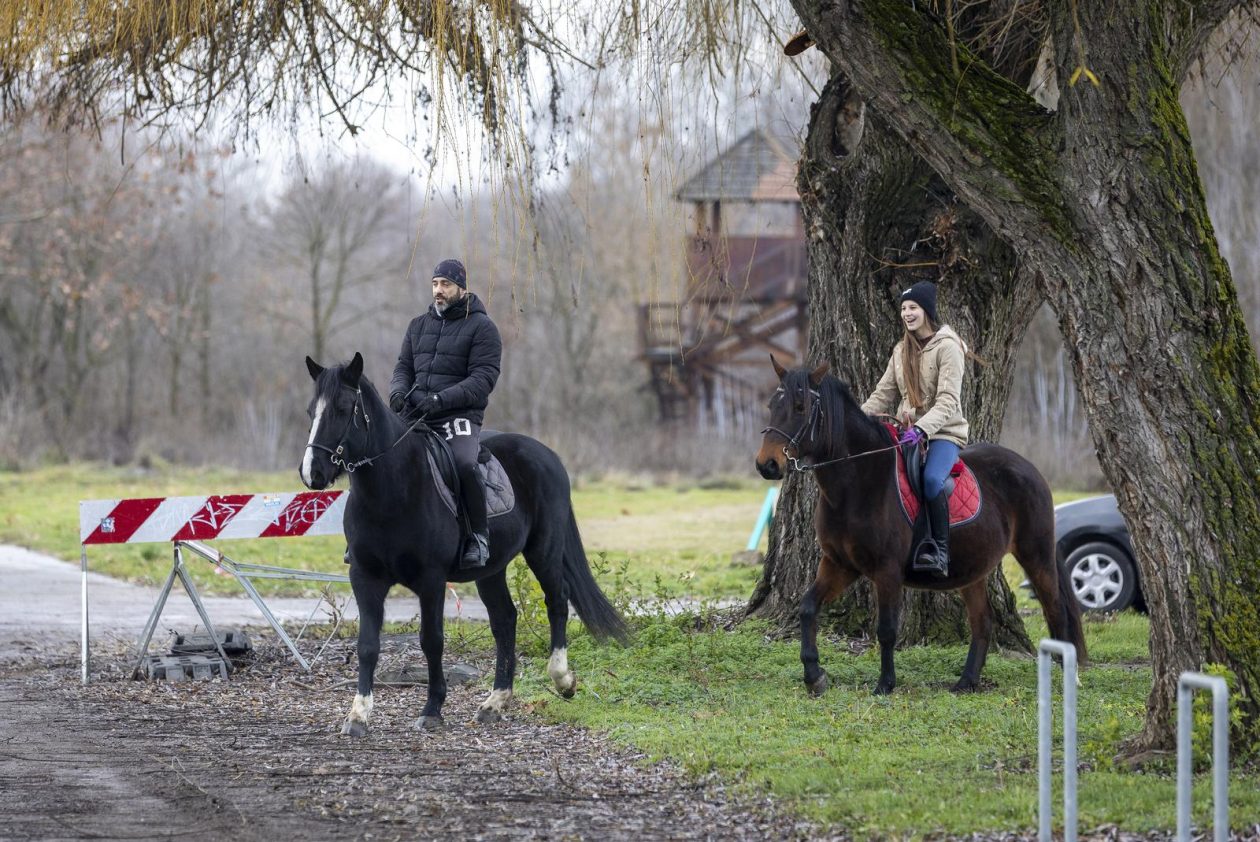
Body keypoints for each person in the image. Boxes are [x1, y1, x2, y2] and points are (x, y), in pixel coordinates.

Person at [389, 258, 502, 569]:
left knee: (465, 464)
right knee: (380, 454)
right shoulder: (417, 325)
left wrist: (441, 399)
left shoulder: (483, 328)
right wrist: (398, 392)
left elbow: (483, 380)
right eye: (436, 284)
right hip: (416, 414)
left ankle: (478, 537)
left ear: (461, 288)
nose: (439, 290)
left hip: (458, 416)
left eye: (446, 284)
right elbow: (404, 367)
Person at [860, 280, 969, 577]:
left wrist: (921, 430)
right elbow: (883, 394)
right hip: (906, 432)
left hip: (944, 433)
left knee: (932, 479)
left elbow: (948, 401)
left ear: (927, 311)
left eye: (913, 308)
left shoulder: (949, 348)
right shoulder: (900, 350)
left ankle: (940, 551)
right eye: (904, 309)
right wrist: (854, 419)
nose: (907, 313)